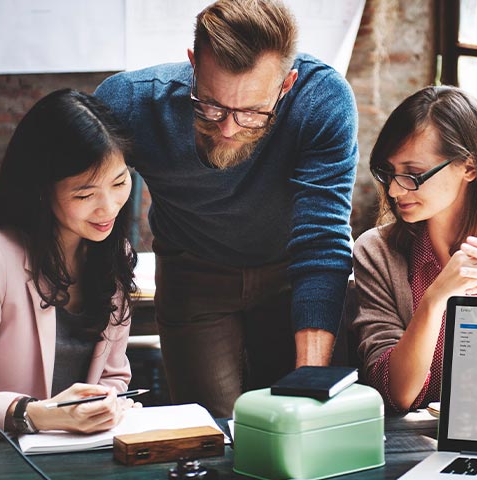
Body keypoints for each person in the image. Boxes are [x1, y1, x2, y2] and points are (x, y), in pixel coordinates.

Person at [94, 0, 358, 417]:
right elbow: (81, 201)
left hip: (291, 276)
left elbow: (322, 241)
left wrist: (310, 379)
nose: (229, 127)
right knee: (211, 429)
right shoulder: (130, 102)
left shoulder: (321, 100)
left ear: (286, 84)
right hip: (192, 273)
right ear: (193, 64)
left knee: (295, 418)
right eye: (211, 104)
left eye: (252, 112)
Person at [351, 86, 477, 412]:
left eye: (413, 174)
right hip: (413, 437)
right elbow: (397, 393)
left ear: (470, 168)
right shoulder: (377, 252)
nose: (393, 190)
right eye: (389, 172)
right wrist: (434, 299)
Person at [0, 89, 138, 434]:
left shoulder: (115, 254)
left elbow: (113, 375)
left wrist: (108, 404)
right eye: (85, 194)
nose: (108, 207)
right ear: (43, 190)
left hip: (81, 449)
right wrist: (36, 414)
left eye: (119, 182)